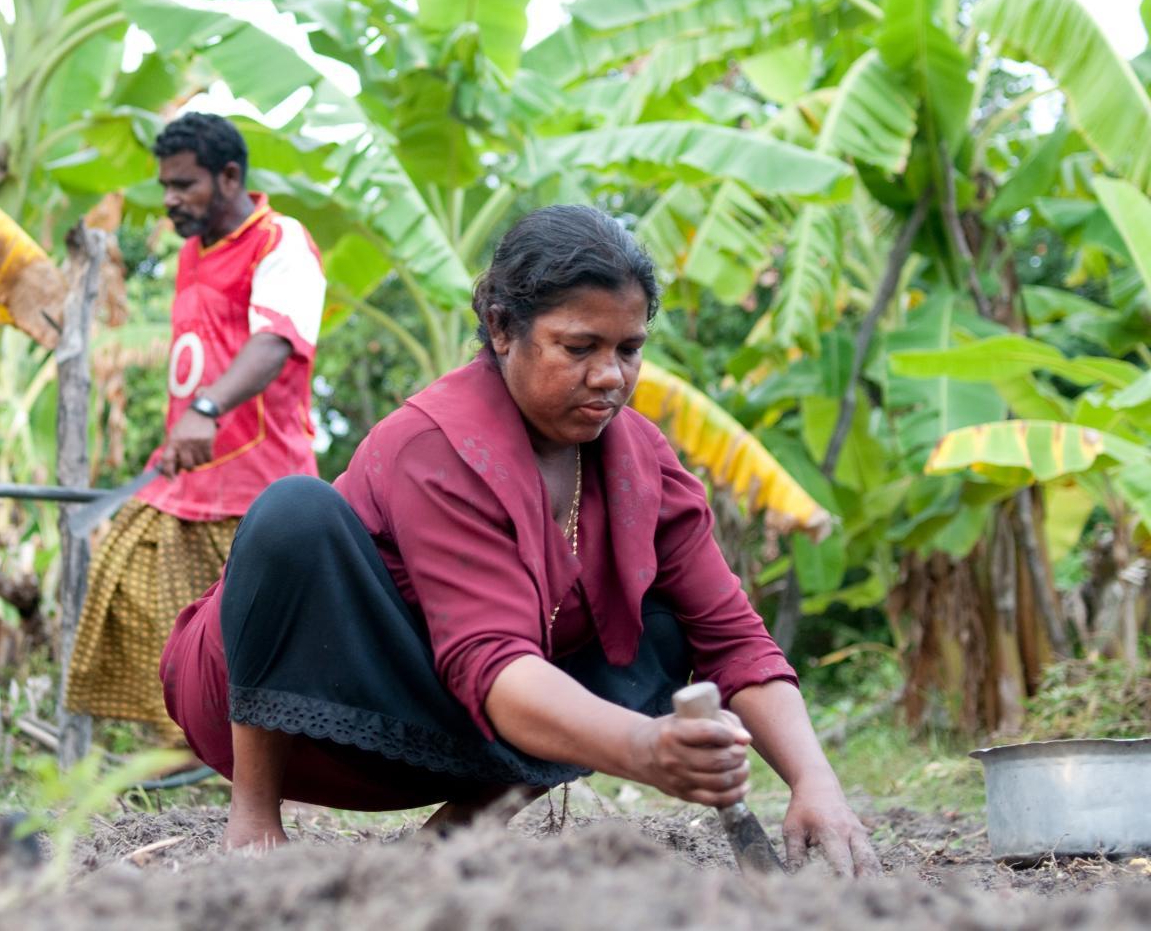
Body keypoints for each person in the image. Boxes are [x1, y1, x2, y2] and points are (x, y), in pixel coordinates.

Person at [160, 205, 881, 874]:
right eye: (579, 347)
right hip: (302, 691)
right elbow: (494, 664)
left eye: (630, 349)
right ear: (503, 329)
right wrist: (644, 747)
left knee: (655, 632)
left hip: (448, 711)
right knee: (293, 510)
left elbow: (733, 637)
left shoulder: (640, 460)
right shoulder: (436, 444)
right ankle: (254, 814)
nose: (610, 377)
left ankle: (461, 828)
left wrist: (815, 781)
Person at [64, 113, 326, 744]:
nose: (171, 200)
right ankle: (187, 744)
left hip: (259, 484)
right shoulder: (189, 252)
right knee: (128, 584)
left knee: (257, 640)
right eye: (166, 187)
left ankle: (265, 758)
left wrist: (206, 410)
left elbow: (274, 343)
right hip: (185, 479)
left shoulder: (279, 241)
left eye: (184, 185)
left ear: (229, 176)